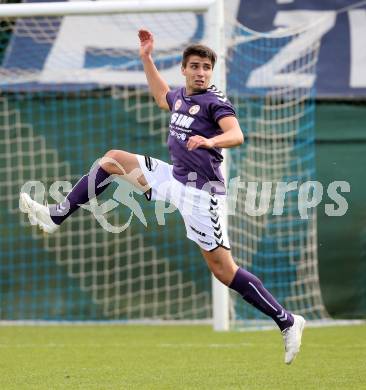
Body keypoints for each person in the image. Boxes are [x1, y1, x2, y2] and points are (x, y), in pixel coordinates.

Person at [19, 29, 305, 364]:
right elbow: (161, 96)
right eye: (195, 66)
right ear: (184, 69)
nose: (201, 72)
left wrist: (212, 142)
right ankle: (56, 215)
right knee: (112, 160)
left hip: (202, 194)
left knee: (223, 271)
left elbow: (236, 134)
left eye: (206, 67)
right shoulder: (182, 97)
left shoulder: (215, 103)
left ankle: (287, 321)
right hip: (174, 178)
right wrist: (146, 58)